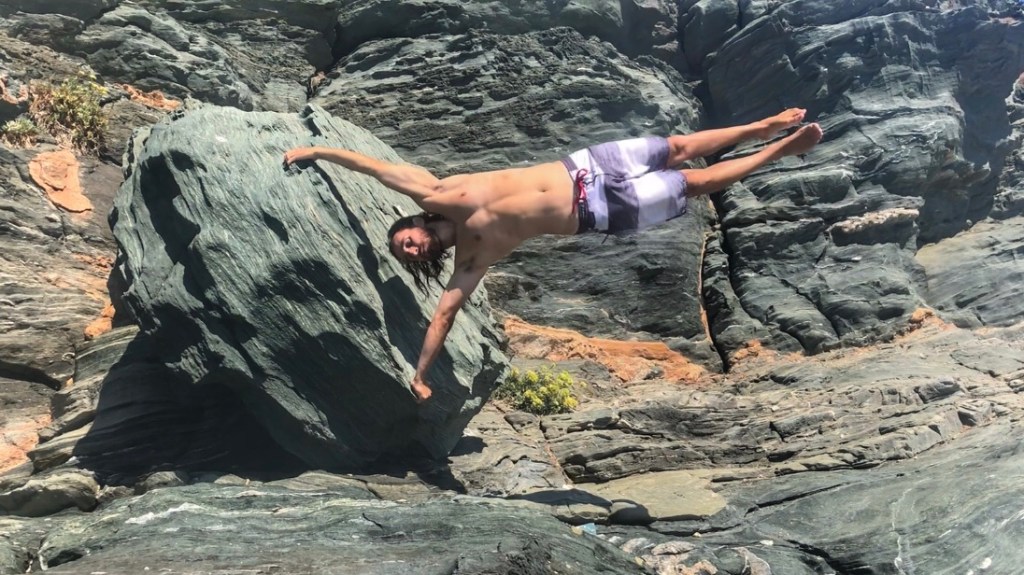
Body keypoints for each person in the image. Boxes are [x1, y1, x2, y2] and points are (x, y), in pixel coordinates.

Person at [284, 109, 823, 403]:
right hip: (600, 209)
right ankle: (780, 149)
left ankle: (759, 128)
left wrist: (316, 150)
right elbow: (444, 314)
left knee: (681, 146)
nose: (412, 247)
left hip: (584, 166)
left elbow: (373, 168)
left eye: (406, 240)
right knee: (697, 182)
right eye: (409, 255)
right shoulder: (472, 257)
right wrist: (421, 373)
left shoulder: (436, 191)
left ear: (414, 224)